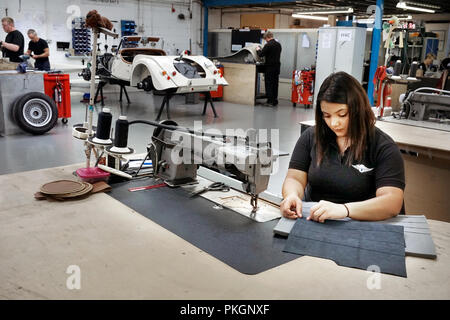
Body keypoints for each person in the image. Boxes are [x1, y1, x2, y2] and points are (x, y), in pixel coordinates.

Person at [280, 72, 405, 222]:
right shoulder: (311, 137)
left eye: (342, 114)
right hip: (316, 222)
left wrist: (345, 210)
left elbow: (392, 203)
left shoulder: (383, 147)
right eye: (327, 115)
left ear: (358, 110)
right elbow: (295, 178)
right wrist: (291, 195)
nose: (334, 123)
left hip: (363, 225)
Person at [256, 31, 282, 107]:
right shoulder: (278, 44)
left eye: (265, 39)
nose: (265, 40)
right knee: (275, 84)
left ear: (267, 37)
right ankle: (274, 100)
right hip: (277, 67)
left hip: (270, 67)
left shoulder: (268, 45)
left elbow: (261, 54)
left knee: (269, 84)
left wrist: (258, 49)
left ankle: (270, 102)